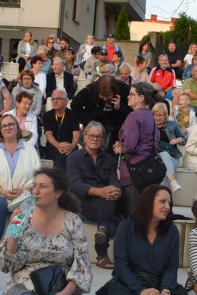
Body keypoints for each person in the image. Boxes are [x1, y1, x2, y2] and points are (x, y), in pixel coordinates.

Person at [0, 115, 41, 262]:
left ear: (17, 127)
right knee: (0, 204)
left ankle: (19, 250)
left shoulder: (30, 149)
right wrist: (2, 191)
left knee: (28, 206)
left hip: (23, 193)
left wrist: (25, 188)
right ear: (0, 130)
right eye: (4, 125)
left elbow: (38, 174)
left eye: (11, 124)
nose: (7, 128)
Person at [67, 121, 122, 269]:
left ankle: (102, 232)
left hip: (103, 203)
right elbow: (76, 184)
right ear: (84, 137)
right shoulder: (73, 158)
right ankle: (102, 254)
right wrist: (100, 191)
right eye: (91, 135)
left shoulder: (110, 159)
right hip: (82, 202)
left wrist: (116, 190)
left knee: (108, 198)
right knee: (106, 197)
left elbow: (114, 180)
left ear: (103, 139)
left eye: (99, 136)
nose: (95, 138)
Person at [114, 82, 160, 208]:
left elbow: (129, 147)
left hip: (134, 172)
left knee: (133, 214)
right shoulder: (149, 115)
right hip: (147, 170)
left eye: (131, 94)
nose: (128, 97)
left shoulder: (134, 116)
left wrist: (120, 148)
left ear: (141, 97)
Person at [43, 90, 81, 171]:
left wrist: (72, 146)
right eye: (53, 99)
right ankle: (61, 181)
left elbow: (76, 134)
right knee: (60, 155)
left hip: (70, 146)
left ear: (66, 101)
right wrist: (58, 145)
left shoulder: (73, 115)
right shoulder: (47, 115)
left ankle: (59, 181)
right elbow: (48, 134)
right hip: (53, 147)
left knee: (67, 154)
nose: (55, 101)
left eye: (58, 99)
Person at [152, 102, 185, 192]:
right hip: (155, 159)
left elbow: (183, 139)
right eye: (156, 115)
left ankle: (161, 193)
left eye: (161, 115)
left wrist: (178, 140)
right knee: (163, 163)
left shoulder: (173, 125)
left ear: (165, 115)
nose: (158, 118)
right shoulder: (149, 126)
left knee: (165, 157)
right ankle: (172, 183)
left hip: (173, 158)